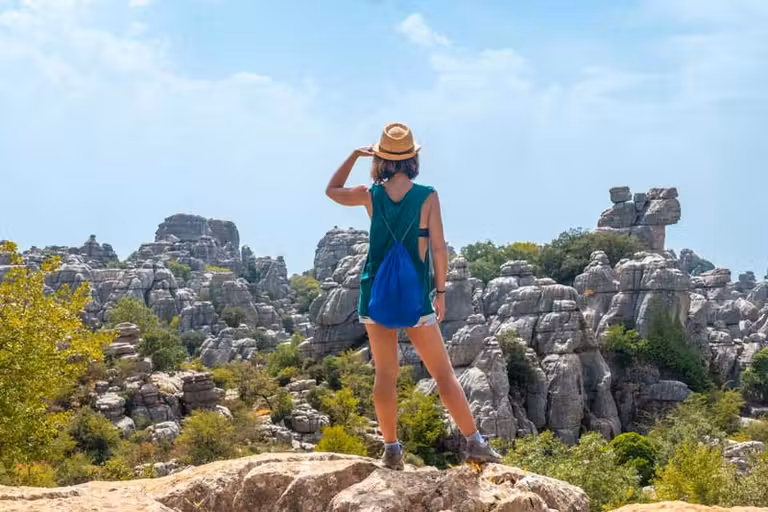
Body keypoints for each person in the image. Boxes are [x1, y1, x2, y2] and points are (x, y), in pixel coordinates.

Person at [325, 122, 501, 470]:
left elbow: (332, 190)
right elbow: (438, 248)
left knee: (385, 375)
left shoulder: (370, 194)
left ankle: (391, 449)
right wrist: (441, 292)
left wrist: (354, 155)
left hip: (374, 293)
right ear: (412, 158)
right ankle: (474, 443)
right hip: (416, 296)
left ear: (380, 158)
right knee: (443, 375)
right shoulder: (427, 196)